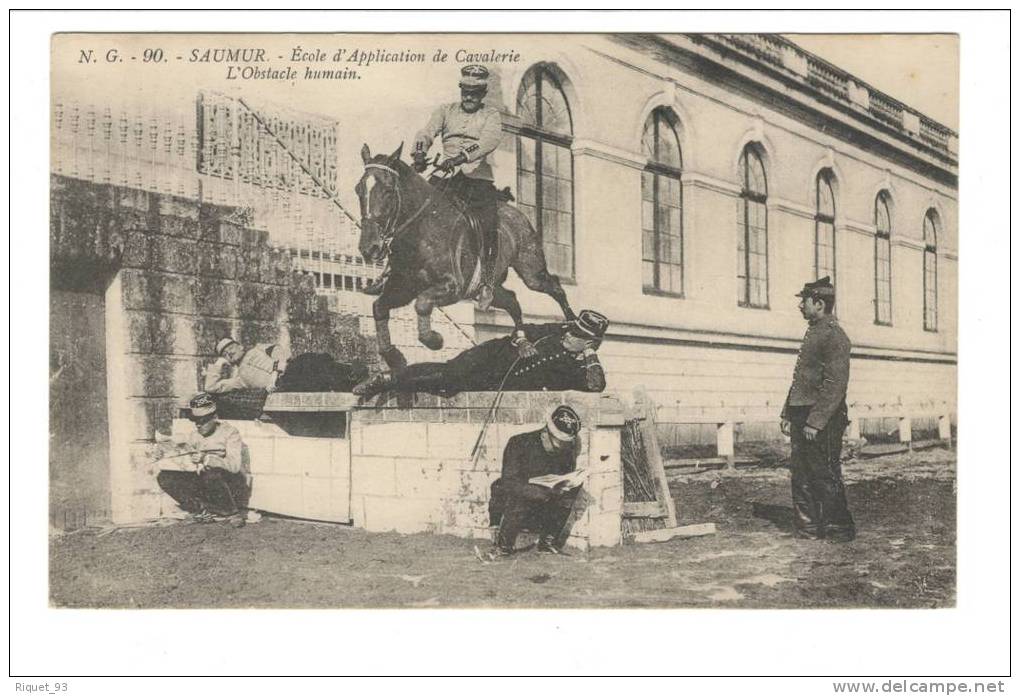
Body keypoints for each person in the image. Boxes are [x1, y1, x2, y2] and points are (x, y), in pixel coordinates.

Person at [363, 64, 505, 310]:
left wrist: (461, 157)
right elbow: (426, 132)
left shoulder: (490, 115)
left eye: (475, 92)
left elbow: (488, 140)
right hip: (447, 176)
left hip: (477, 179)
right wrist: (420, 152)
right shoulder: (445, 111)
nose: (469, 97)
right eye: (466, 91)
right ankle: (389, 271)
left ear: (482, 94)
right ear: (461, 90)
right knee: (411, 212)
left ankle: (487, 285)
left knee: (488, 224)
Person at [354, 309, 609, 397]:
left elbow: (596, 386)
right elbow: (522, 328)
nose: (568, 334)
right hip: (494, 355)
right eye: (572, 329)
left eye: (577, 336)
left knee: (448, 386)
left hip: (499, 381)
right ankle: (389, 379)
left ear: (590, 343)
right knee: (451, 372)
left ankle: (395, 383)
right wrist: (521, 343)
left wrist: (589, 355)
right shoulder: (560, 329)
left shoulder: (580, 367)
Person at [780, 276, 855, 542]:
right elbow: (802, 379)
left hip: (824, 417)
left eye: (805, 301)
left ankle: (838, 528)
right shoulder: (815, 331)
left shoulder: (835, 336)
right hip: (803, 413)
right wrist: (788, 413)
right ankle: (808, 528)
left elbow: (835, 385)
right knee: (801, 472)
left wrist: (815, 422)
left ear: (819, 304)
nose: (800, 306)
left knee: (823, 473)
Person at [486, 405, 584, 557]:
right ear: (546, 433)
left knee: (572, 489)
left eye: (566, 443)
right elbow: (508, 482)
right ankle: (504, 546)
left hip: (547, 496)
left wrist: (567, 483)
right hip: (519, 497)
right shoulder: (518, 443)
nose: (562, 448)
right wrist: (537, 491)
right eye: (559, 442)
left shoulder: (565, 450)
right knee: (517, 492)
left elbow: (563, 476)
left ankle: (547, 542)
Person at [204, 337, 369, 418]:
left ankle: (352, 375)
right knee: (311, 366)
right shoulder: (239, 379)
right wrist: (218, 364)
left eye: (231, 347)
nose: (229, 352)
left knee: (308, 360)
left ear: (239, 346)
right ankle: (351, 378)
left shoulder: (258, 349)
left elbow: (280, 353)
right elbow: (211, 388)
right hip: (285, 385)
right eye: (225, 353)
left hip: (289, 371)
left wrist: (275, 372)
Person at [156, 393, 249, 527]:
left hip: (225, 483)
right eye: (195, 421)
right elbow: (186, 455)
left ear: (215, 417)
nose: (198, 425)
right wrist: (166, 455)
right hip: (203, 480)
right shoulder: (195, 435)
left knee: (211, 474)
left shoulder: (230, 433)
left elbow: (234, 466)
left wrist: (207, 459)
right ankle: (200, 510)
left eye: (203, 420)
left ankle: (231, 512)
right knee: (165, 477)